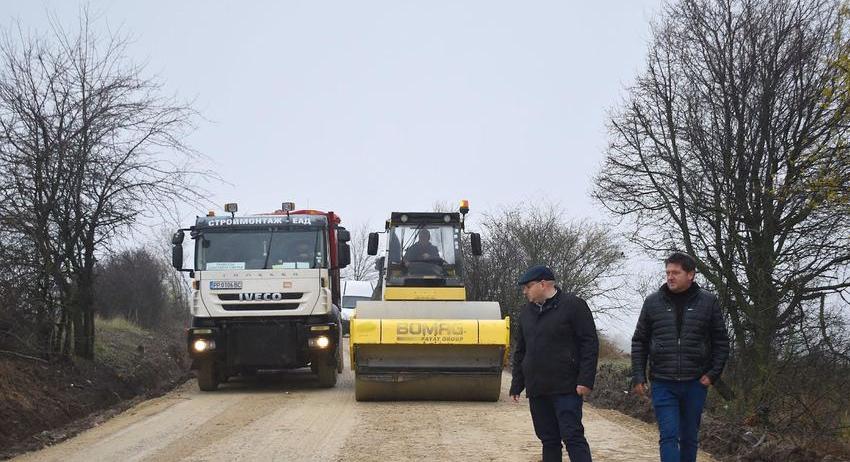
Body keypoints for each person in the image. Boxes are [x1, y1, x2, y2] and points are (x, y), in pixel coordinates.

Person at [631, 252, 729, 462]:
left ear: (691, 274)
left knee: (689, 437)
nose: (670, 277)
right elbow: (639, 341)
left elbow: (721, 342)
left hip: (695, 382)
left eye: (676, 272)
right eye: (668, 272)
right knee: (668, 436)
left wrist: (712, 374)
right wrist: (638, 375)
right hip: (662, 382)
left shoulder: (708, 302)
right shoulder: (652, 302)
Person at [510, 265, 599, 462]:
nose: (524, 291)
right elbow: (521, 351)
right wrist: (517, 383)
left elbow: (589, 344)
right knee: (548, 440)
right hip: (537, 388)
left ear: (543, 284)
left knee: (573, 436)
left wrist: (585, 379)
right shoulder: (526, 314)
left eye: (527, 286)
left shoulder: (574, 306)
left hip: (566, 386)